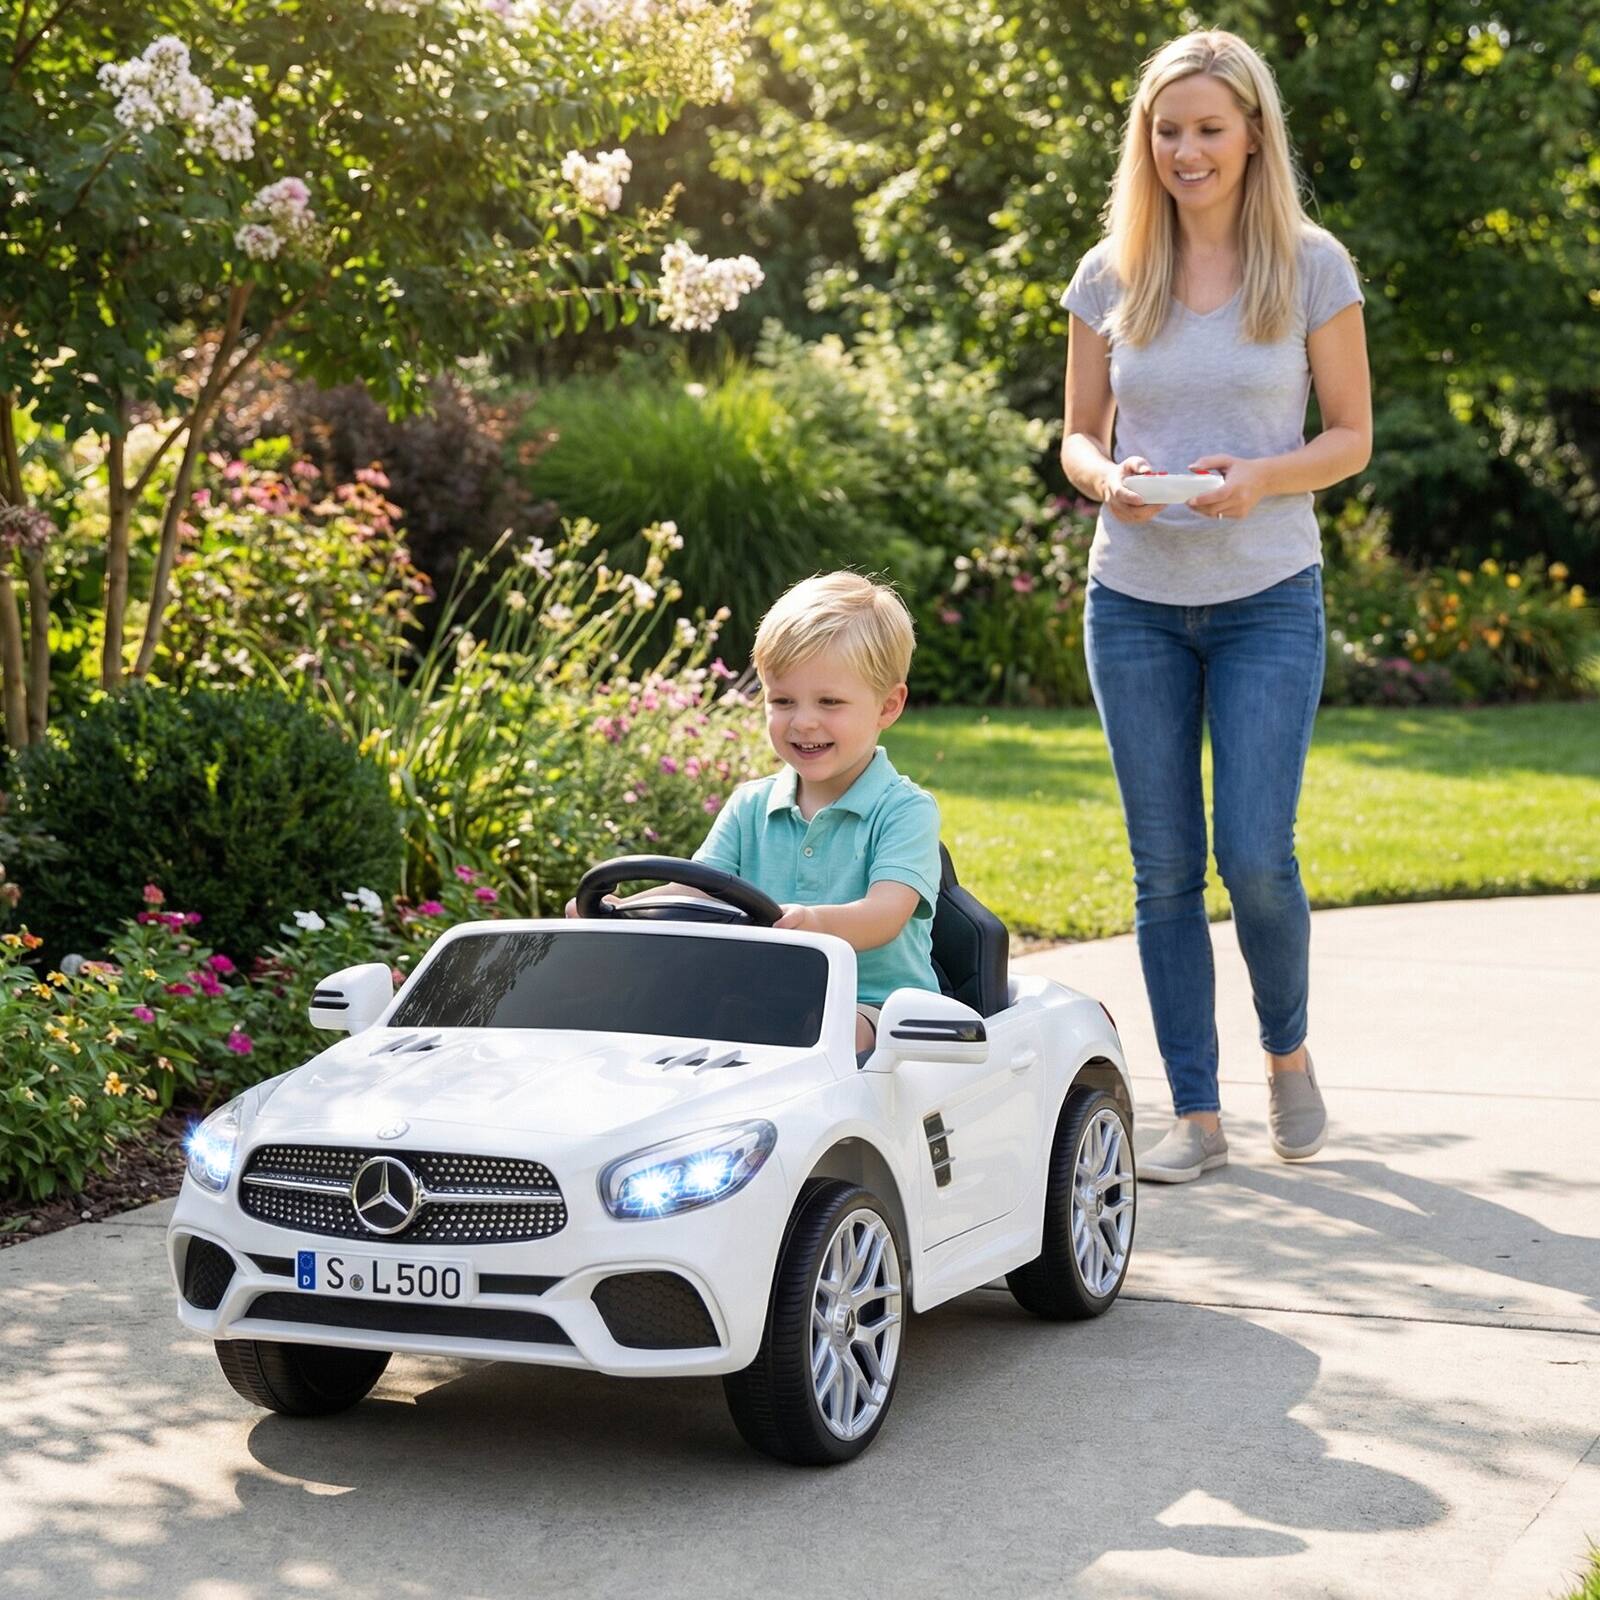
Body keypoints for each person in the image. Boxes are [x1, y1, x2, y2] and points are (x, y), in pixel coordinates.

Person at [1058, 29, 1372, 1181]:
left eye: (1207, 128)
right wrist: (1110, 483)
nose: (1185, 150)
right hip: (1132, 599)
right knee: (1162, 870)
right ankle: (1195, 1111)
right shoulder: (1109, 273)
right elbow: (1079, 434)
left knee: (1256, 855)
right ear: (1146, 139)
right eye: (1167, 128)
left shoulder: (1307, 263)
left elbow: (1350, 435)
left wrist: (1260, 477)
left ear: (1251, 135)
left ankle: (1284, 1051)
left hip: (1265, 596)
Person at [568, 571, 942, 1051]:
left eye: (829, 702)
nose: (803, 721)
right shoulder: (750, 804)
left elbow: (884, 914)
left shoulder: (904, 810)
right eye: (782, 700)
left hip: (872, 1005)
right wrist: (619, 911)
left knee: (825, 1033)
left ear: (888, 706)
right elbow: (692, 893)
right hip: (759, 994)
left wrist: (812, 924)